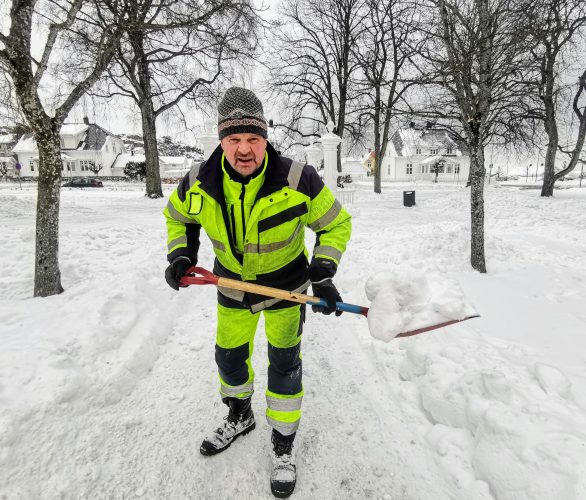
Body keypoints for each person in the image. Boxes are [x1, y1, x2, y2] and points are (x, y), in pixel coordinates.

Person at [163, 87, 351, 498]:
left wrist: (322, 272)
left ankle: (283, 445)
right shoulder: (199, 181)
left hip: (287, 293)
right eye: (234, 140)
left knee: (285, 366)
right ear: (221, 140)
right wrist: (181, 255)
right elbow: (178, 219)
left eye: (253, 139)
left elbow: (336, 225)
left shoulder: (298, 178)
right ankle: (240, 415)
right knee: (229, 359)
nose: (244, 149)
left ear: (266, 138)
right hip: (231, 289)